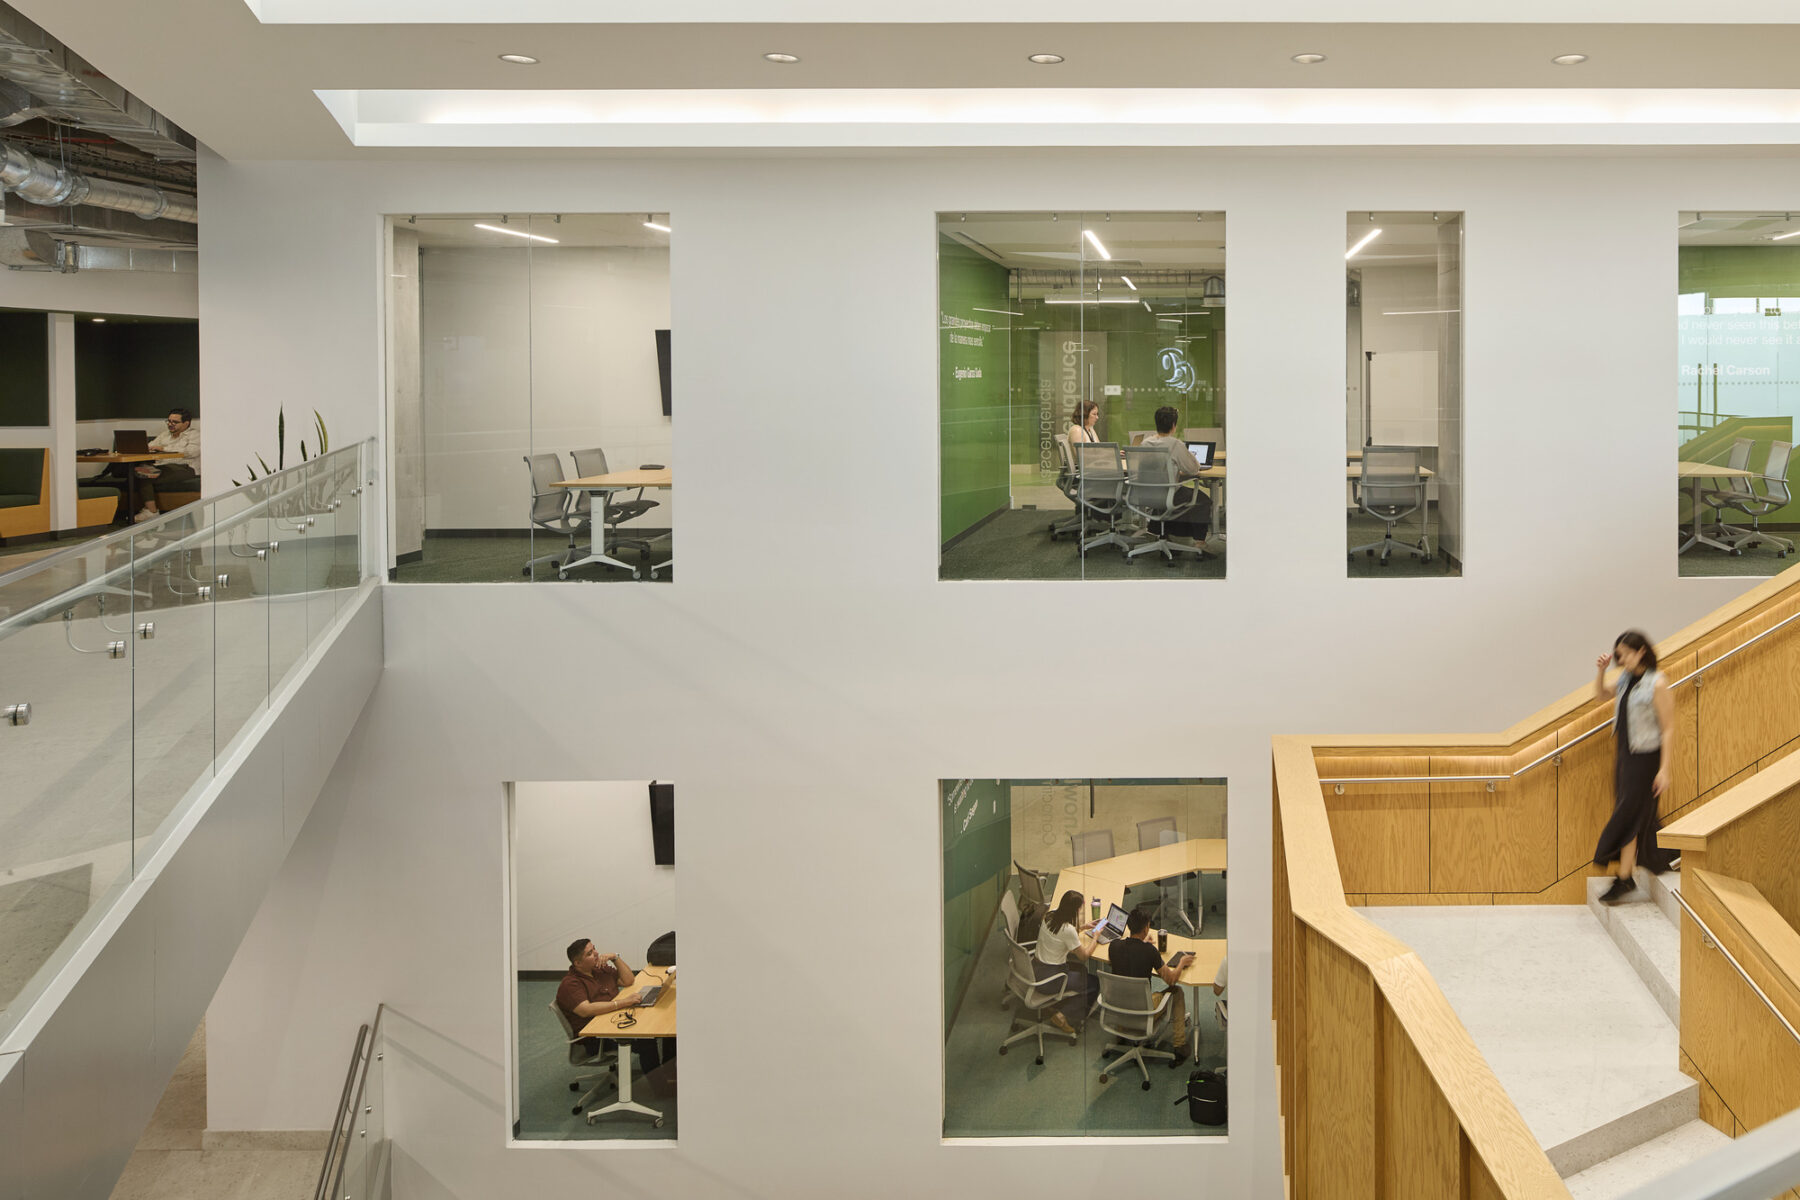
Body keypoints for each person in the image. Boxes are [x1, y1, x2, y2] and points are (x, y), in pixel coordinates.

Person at [1592, 630, 1678, 904]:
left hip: (1646, 758)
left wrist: (1664, 769)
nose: (1623, 659)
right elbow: (1600, 696)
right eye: (1620, 655)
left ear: (1641, 651)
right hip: (1625, 754)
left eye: (1627, 653)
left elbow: (1668, 728)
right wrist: (1601, 671)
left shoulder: (1657, 683)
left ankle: (1624, 876)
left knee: (1628, 814)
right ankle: (1667, 856)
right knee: (1637, 813)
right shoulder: (1625, 679)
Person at [555, 937, 662, 1075]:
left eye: (594, 948)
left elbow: (628, 980)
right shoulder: (570, 984)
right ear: (578, 963)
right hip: (595, 1039)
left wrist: (615, 958)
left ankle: (669, 1072)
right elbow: (585, 1010)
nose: (596, 953)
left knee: (655, 1026)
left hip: (613, 1020)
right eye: (589, 953)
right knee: (646, 1042)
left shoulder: (599, 969)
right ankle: (658, 1084)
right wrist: (624, 1002)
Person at [1107, 904, 1192, 1065]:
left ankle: (1121, 1034)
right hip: (1142, 1013)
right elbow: (1171, 979)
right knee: (1177, 991)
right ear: (1146, 928)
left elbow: (1125, 958)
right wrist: (1181, 963)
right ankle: (1180, 1046)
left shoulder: (1114, 946)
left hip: (1118, 1010)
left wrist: (1143, 943)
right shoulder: (1150, 951)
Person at [1136, 405, 1212, 545]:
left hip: (1146, 493)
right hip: (1168, 494)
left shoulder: (1145, 443)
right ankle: (1200, 541)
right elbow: (1193, 469)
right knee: (1202, 500)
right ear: (1173, 425)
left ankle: (1156, 530)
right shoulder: (1175, 444)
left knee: (1171, 495)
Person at [1032, 890, 1099, 1036]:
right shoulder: (1068, 930)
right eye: (1080, 909)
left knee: (1082, 971)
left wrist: (1084, 927)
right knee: (1093, 983)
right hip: (1050, 979)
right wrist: (1096, 938)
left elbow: (1060, 934)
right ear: (1074, 910)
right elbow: (1084, 956)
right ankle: (1063, 1015)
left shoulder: (1050, 915)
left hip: (1035, 969)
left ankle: (1058, 1005)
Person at [133, 407, 201, 522]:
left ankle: (151, 512)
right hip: (163, 466)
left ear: (186, 423)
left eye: (175, 422)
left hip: (186, 467)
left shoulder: (194, 435)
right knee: (138, 472)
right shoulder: (164, 435)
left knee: (145, 475)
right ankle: (149, 511)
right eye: (169, 421)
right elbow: (150, 446)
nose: (170, 424)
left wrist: (163, 449)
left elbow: (191, 452)